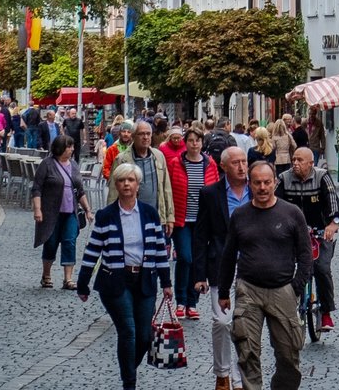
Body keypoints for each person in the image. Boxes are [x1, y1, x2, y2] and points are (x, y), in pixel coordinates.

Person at [77, 163, 176, 390]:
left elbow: (160, 251)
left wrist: (167, 283)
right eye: (122, 181)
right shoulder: (106, 216)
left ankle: (129, 368)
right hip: (115, 281)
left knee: (144, 336)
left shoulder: (150, 214)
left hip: (145, 280)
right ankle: (129, 383)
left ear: (138, 184)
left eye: (131, 180)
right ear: (116, 185)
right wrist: (82, 283)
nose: (126, 184)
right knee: (128, 331)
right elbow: (93, 250)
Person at [215, 162, 312, 390]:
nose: (262, 187)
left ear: (275, 183)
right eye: (257, 182)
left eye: (267, 182)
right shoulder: (240, 215)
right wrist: (223, 291)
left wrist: (295, 288)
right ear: (250, 184)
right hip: (248, 289)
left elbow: (306, 255)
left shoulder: (292, 213)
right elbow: (228, 255)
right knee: (247, 352)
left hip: (283, 290)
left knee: (289, 355)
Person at [193, 146, 253, 390]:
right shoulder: (210, 194)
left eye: (244, 161)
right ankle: (222, 373)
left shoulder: (256, 189)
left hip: (251, 267)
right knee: (222, 321)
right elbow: (200, 236)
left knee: (245, 325)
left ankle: (239, 379)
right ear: (224, 166)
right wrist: (198, 276)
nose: (241, 167)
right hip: (220, 266)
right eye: (236, 162)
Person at [275, 148, 339, 331]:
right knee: (283, 268)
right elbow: (273, 203)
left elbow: (333, 202)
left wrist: (332, 224)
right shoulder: (283, 178)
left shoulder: (322, 177)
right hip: (292, 233)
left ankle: (325, 312)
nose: (295, 163)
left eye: (300, 160)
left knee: (322, 268)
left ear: (311, 163)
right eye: (293, 159)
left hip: (319, 231)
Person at [168, 127, 219, 319]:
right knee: (185, 258)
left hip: (202, 221)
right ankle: (181, 300)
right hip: (182, 218)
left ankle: (192, 302)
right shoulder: (176, 163)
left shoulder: (210, 164)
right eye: (190, 140)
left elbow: (214, 190)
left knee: (198, 261)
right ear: (185, 143)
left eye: (197, 140)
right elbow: (169, 190)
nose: (194, 144)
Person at [33, 134, 91, 289]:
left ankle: (68, 279)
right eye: (69, 146)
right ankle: (46, 275)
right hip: (51, 212)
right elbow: (37, 188)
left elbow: (80, 190)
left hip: (70, 212)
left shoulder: (73, 165)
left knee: (69, 242)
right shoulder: (47, 164)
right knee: (51, 243)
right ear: (60, 148)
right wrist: (37, 210)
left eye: (72, 146)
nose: (72, 149)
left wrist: (87, 209)